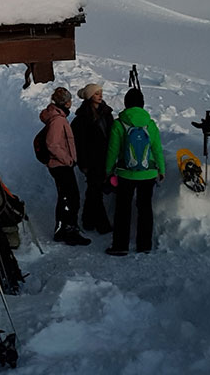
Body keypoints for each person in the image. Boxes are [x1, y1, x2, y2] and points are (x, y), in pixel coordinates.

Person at [104, 88, 165, 255]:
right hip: (148, 172)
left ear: (126, 103)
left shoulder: (119, 123)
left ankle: (120, 246)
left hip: (125, 172)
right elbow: (157, 148)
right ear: (142, 104)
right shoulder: (150, 124)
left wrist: (108, 170)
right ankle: (145, 245)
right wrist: (161, 169)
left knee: (123, 209)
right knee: (145, 208)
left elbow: (113, 149)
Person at [41, 86, 91, 246]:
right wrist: (68, 159)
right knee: (71, 197)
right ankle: (69, 230)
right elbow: (52, 144)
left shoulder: (57, 117)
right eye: (69, 100)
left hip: (59, 164)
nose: (71, 103)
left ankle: (63, 229)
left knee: (66, 196)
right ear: (65, 102)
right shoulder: (58, 120)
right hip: (60, 165)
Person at [71, 83, 114, 235]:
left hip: (105, 158)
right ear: (90, 97)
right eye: (97, 93)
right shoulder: (82, 118)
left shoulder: (106, 113)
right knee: (96, 191)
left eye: (101, 92)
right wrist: (82, 163)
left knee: (93, 190)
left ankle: (88, 220)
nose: (100, 96)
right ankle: (102, 224)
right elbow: (80, 142)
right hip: (91, 160)